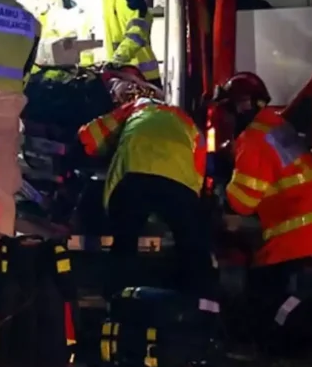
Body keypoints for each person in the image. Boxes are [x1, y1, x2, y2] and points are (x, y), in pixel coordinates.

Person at [215, 72, 312, 352]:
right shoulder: (276, 125)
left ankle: (297, 337)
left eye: (228, 109)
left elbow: (242, 202)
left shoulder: (252, 140)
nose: (227, 118)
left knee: (262, 291)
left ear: (242, 107)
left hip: (295, 231)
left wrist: (222, 189)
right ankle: (300, 330)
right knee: (274, 288)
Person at [77, 78, 215, 301]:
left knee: (125, 242)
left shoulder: (135, 108)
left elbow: (87, 138)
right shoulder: (184, 119)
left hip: (134, 178)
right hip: (179, 184)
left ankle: (117, 301)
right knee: (192, 247)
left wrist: (110, 145)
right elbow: (200, 163)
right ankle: (199, 306)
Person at [0, 0, 41, 243]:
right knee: (5, 180)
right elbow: (26, 71)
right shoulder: (32, 23)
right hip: (10, 105)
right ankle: (1, 243)